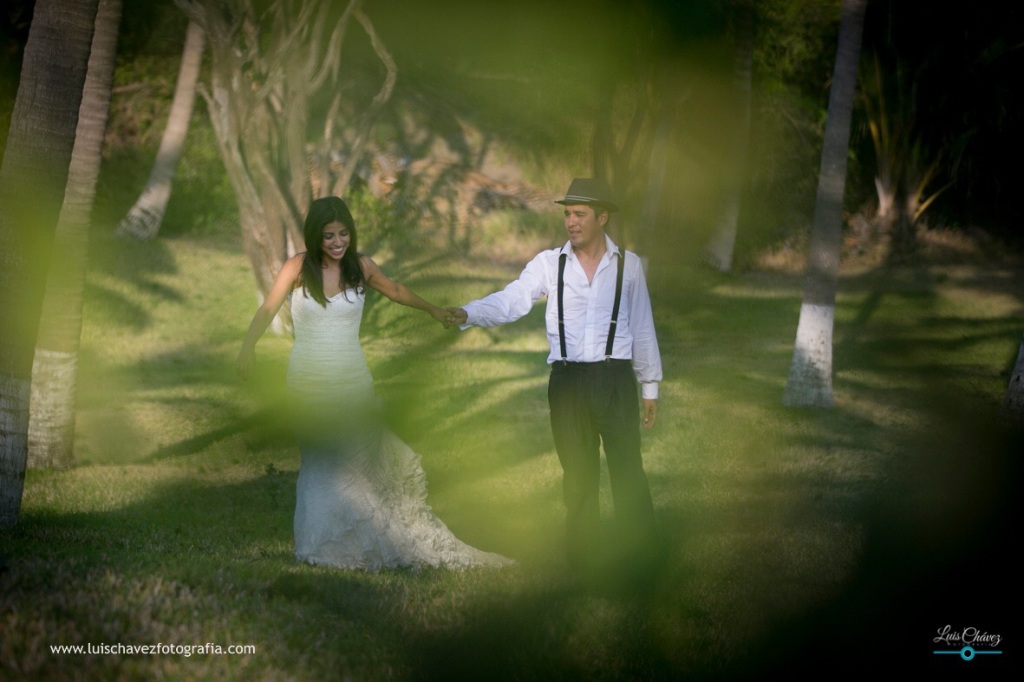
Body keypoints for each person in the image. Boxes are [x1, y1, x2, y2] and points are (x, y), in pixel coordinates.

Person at [238, 196, 509, 570]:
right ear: (315, 236)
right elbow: (268, 307)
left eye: (343, 233)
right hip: (307, 382)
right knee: (319, 462)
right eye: (329, 235)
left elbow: (395, 290)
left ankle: (359, 541)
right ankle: (320, 548)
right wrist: (247, 347)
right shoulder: (297, 268)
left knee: (356, 463)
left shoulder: (361, 267)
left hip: (351, 379)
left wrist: (433, 310)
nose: (337, 242)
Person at [446, 178, 662, 573]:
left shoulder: (628, 265)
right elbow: (513, 300)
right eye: (567, 214)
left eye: (579, 214)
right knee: (578, 477)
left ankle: (641, 560)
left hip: (615, 381)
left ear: (602, 217)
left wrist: (650, 386)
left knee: (627, 469)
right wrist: (468, 312)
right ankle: (584, 563)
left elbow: (642, 326)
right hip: (567, 384)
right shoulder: (548, 264)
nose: (571, 222)